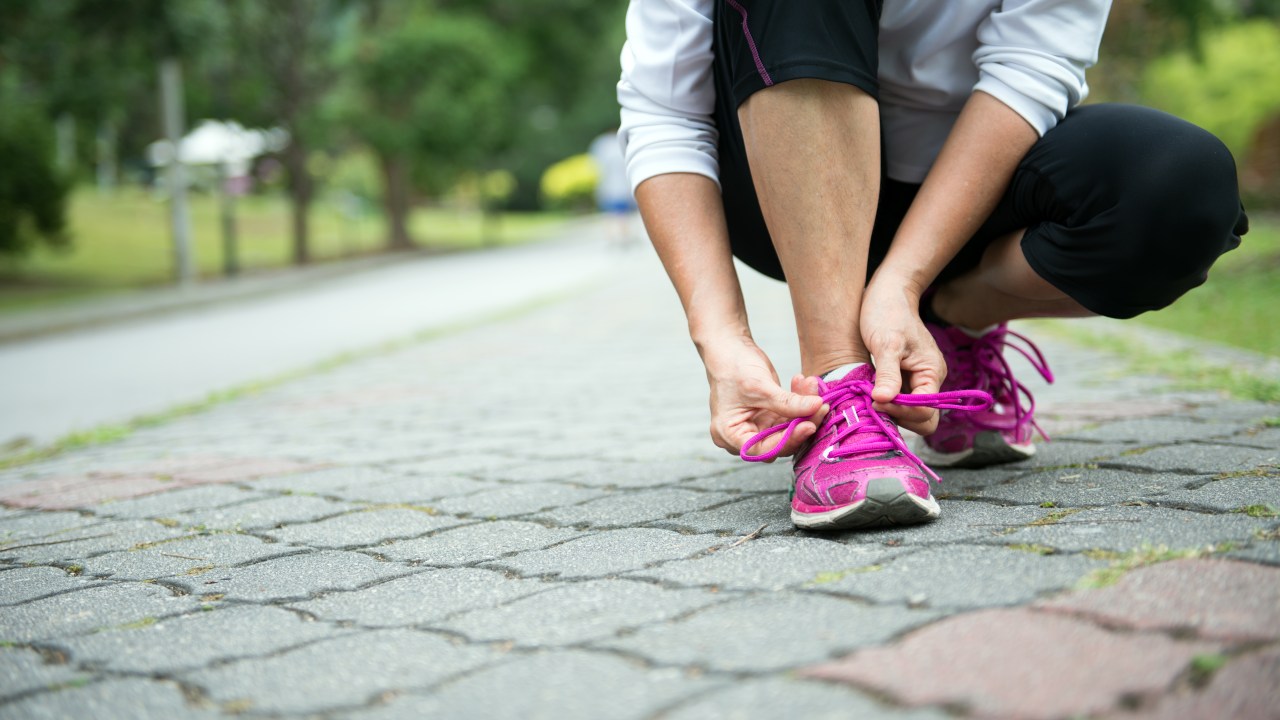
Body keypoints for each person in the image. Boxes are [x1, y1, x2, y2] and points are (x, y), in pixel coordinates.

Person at [617, 0, 1249, 531]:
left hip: (973, 192)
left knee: (1178, 187)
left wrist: (905, 282)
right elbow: (662, 110)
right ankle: (841, 387)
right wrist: (721, 338)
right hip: (780, 185)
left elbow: (1032, 65)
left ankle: (951, 321)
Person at [588, 128, 639, 248]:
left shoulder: (602, 145)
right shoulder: (617, 144)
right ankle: (623, 236)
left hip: (608, 185)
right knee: (622, 213)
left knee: (610, 213)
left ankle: (613, 237)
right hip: (621, 184)